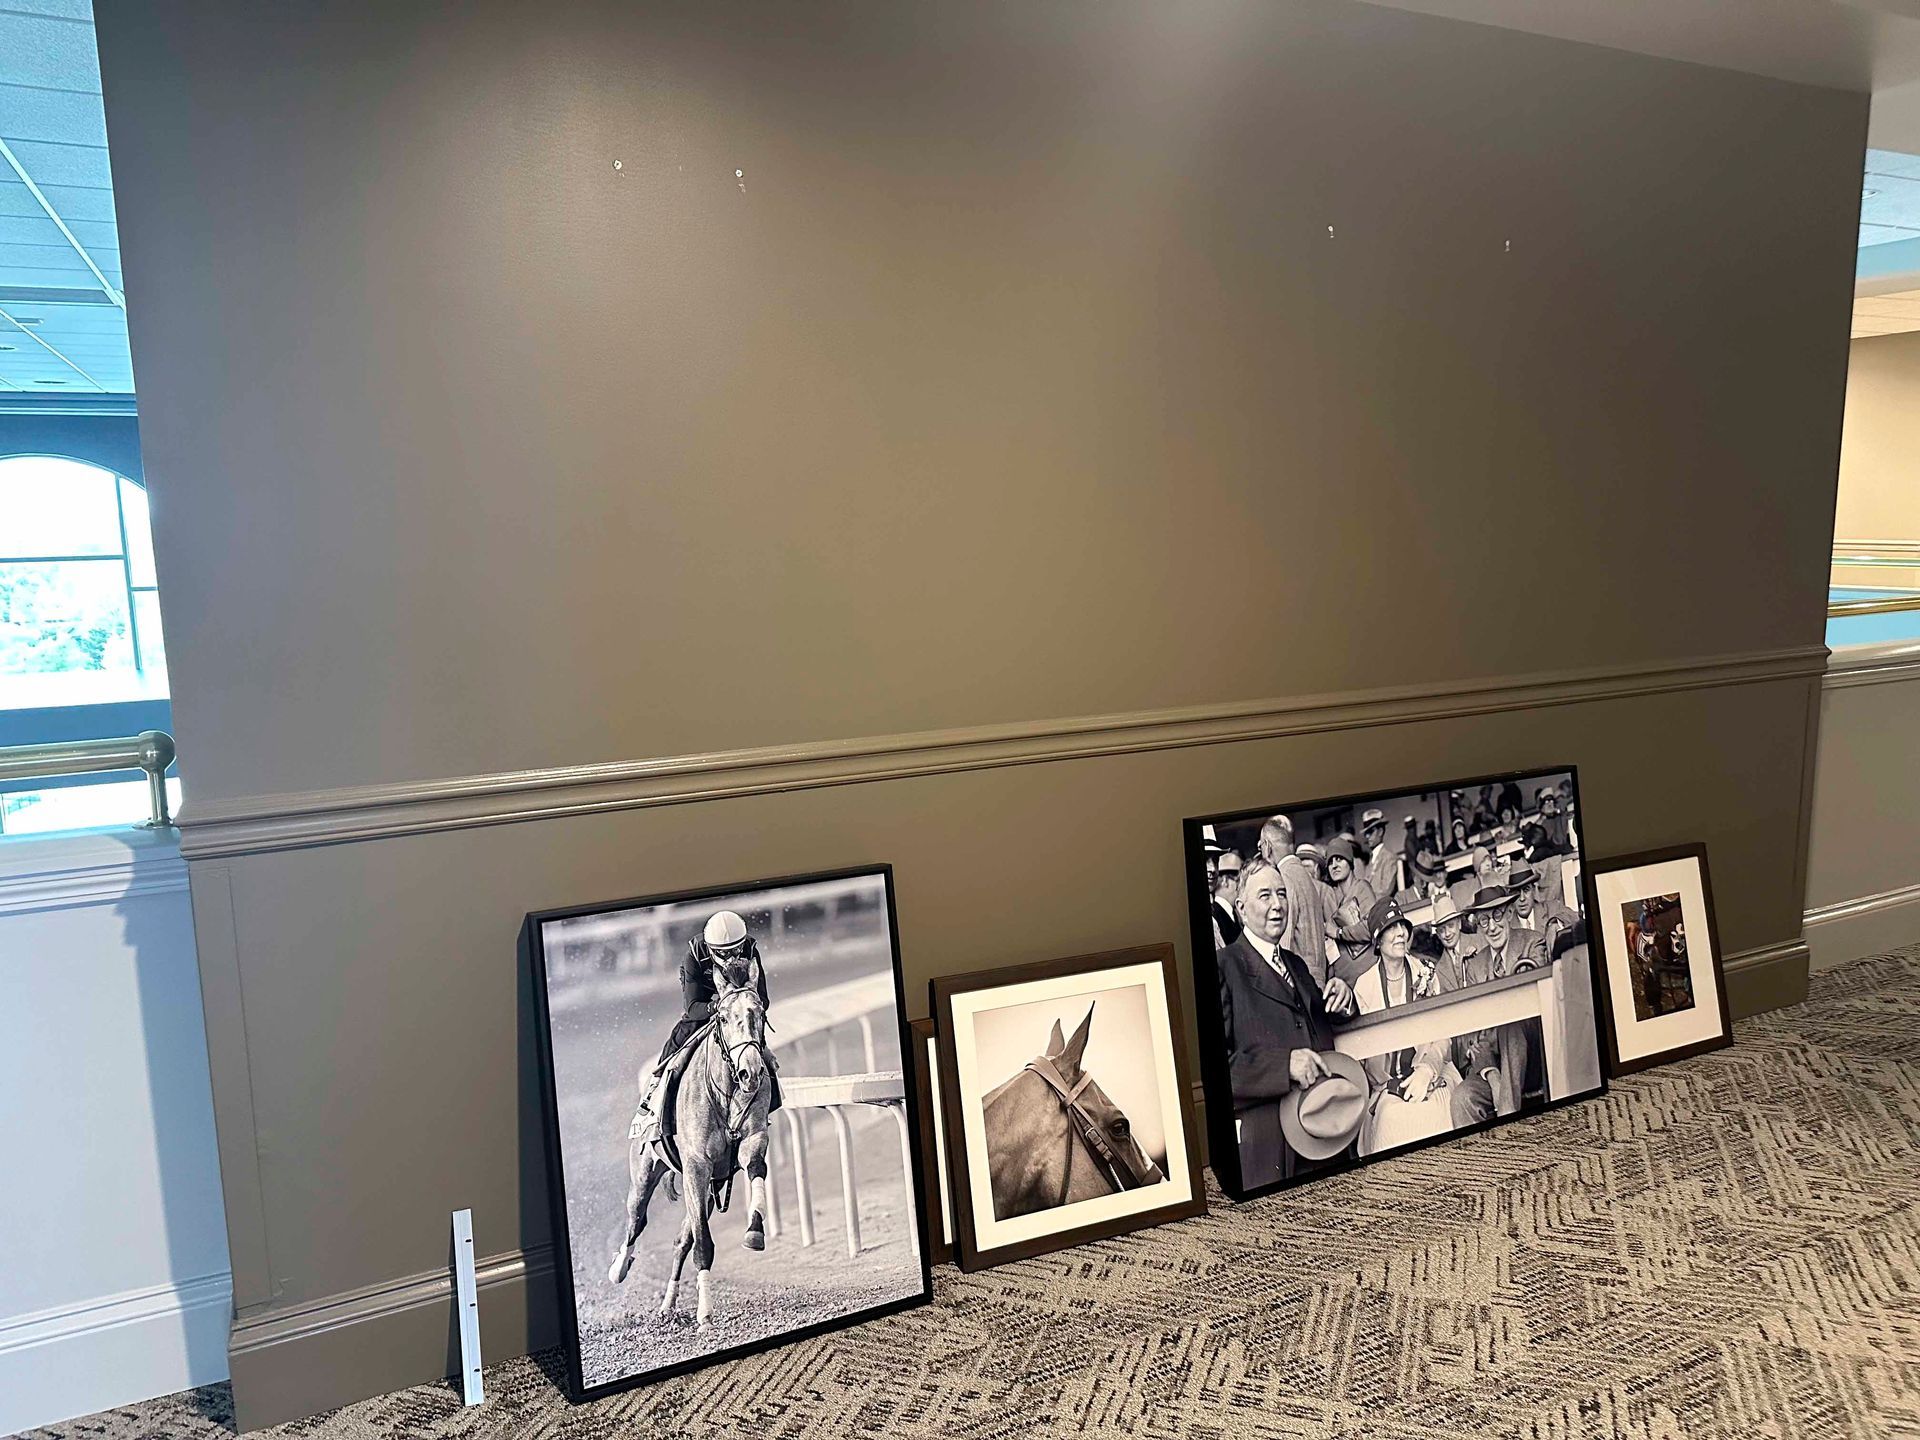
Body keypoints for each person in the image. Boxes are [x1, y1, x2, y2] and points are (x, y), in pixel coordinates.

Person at [1214, 857, 1359, 1189]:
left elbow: (1315, 1022)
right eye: (1265, 896)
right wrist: (1284, 1066)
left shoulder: (1295, 963)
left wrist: (1342, 1003)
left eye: (1281, 893)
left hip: (1325, 1130)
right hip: (1273, 1146)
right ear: (1241, 907)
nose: (1277, 904)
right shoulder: (1224, 966)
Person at [631, 910, 780, 1146]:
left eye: (736, 950)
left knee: (761, 1055)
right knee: (673, 1054)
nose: (732, 957)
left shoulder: (751, 950)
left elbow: (764, 999)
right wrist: (719, 1006)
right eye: (724, 953)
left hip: (736, 1013)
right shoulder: (693, 957)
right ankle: (653, 1106)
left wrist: (741, 1003)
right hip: (704, 1009)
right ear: (712, 950)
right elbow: (692, 1007)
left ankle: (764, 1110)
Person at [1352, 897, 1461, 1154]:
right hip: (1388, 1084)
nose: (1400, 933)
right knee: (1393, 1118)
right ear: (1378, 940)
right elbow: (1363, 1055)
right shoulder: (1363, 987)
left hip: (1432, 1071)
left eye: (1402, 926)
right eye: (1391, 927)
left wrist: (1427, 1070)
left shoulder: (1426, 971)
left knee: (1436, 1109)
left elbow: (1443, 1035)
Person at [1448, 886, 1538, 1126]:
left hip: (1536, 1057)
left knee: (1511, 1020)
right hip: (1494, 1061)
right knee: (1461, 1097)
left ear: (1509, 913)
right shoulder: (1476, 966)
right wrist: (1492, 1074)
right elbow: (1477, 1034)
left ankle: (1509, 1119)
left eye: (1497, 915)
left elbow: (1532, 1002)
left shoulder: (1533, 943)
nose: (1492, 926)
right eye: (1484, 920)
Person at [1260, 815, 1336, 985]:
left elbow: (1285, 939)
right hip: (1317, 976)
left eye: (1260, 847)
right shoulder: (1305, 876)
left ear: (1267, 847)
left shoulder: (1285, 878)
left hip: (1300, 982)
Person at [1322, 837, 1378, 986]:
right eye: (1330, 862)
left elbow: (1370, 927)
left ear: (1350, 862)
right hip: (1348, 982)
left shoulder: (1362, 887)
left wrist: (1338, 932)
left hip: (1368, 974)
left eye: (1339, 859)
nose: (1334, 865)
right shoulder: (1335, 898)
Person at [1359, 808, 1402, 903]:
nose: (1367, 837)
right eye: (1366, 833)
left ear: (1380, 831)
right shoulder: (1371, 859)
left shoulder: (1389, 857)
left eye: (1370, 832)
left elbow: (1386, 891)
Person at [1211, 850, 1243, 950]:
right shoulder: (1215, 917)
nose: (1242, 886)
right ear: (1225, 881)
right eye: (1239, 880)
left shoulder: (1235, 915)